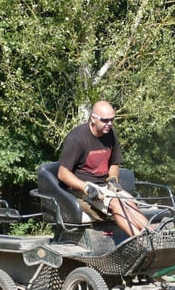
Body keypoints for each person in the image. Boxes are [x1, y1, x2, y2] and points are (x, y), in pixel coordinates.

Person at [57, 100, 150, 236]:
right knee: (116, 203)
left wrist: (112, 179)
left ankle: (154, 236)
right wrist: (86, 188)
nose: (110, 124)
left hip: (105, 186)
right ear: (93, 119)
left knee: (129, 203)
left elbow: (114, 163)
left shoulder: (110, 134)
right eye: (105, 120)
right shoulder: (77, 139)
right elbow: (63, 173)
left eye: (112, 120)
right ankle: (139, 238)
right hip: (82, 189)